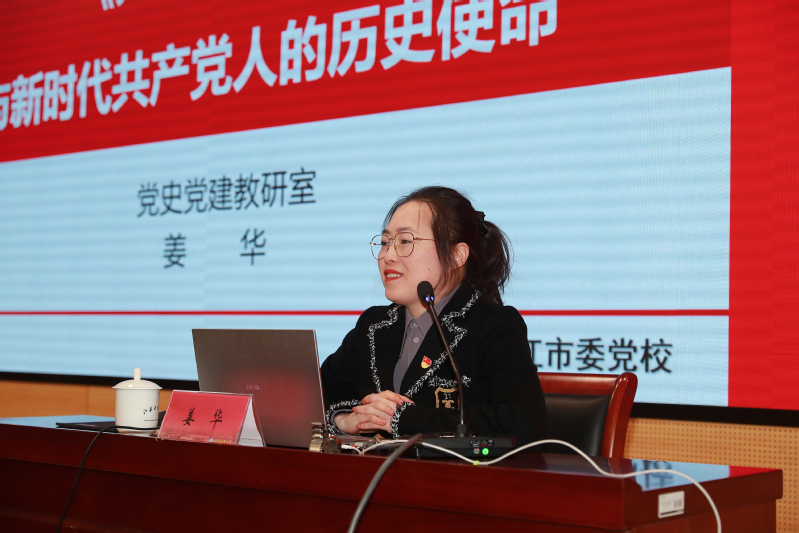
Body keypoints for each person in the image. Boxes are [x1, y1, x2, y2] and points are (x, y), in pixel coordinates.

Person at [321, 186, 546, 445]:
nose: (387, 256)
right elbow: (316, 395)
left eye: (405, 241)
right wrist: (344, 420)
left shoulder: (493, 325)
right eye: (384, 243)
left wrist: (403, 419)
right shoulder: (374, 325)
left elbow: (524, 422)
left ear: (457, 255)